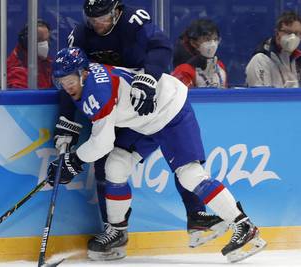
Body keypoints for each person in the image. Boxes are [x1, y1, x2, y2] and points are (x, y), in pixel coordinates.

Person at [48, 47, 267, 263]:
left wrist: (73, 161)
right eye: (61, 82)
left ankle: (243, 225)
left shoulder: (97, 92)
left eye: (70, 80)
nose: (67, 87)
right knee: (116, 165)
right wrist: (71, 160)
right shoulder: (86, 79)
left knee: (190, 175)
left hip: (171, 109)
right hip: (143, 120)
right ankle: (118, 232)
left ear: (84, 73)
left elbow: (102, 143)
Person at [52, 0, 227, 260]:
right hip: (117, 111)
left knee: (178, 154)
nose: (98, 25)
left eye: (104, 18)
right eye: (93, 20)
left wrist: (149, 76)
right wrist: (68, 123)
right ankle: (115, 231)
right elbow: (70, 76)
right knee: (108, 164)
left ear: (117, 11)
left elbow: (161, 46)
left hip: (144, 101)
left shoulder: (134, 20)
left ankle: (196, 213)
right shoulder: (80, 34)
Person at [246, 11, 301, 88]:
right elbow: (260, 97)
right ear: (277, 34)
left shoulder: (298, 59)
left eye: (297, 33)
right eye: (288, 32)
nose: (293, 37)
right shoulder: (260, 60)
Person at [171, 19, 227, 88]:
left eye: (215, 39)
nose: (213, 44)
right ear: (194, 43)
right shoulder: (184, 71)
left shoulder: (220, 65)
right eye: (207, 39)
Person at [6, 19, 53, 89]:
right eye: (39, 40)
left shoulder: (47, 63)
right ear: (26, 41)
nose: (45, 44)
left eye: (47, 40)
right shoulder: (16, 70)